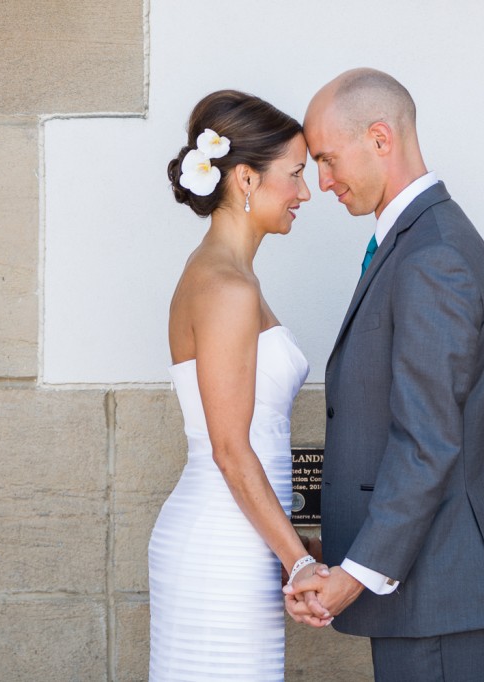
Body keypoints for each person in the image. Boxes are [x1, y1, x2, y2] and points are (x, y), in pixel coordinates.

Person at [284, 68, 484, 681]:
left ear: (380, 138)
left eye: (327, 159)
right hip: (423, 595)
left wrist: (357, 574)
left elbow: (427, 440)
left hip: (438, 598)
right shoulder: (414, 242)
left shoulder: (433, 255)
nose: (323, 182)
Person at [148, 89, 327, 681]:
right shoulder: (226, 287)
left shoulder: (227, 275)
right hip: (220, 547)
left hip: (242, 540)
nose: (305, 192)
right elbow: (230, 449)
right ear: (246, 178)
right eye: (295, 174)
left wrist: (293, 550)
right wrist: (298, 563)